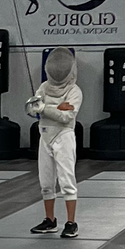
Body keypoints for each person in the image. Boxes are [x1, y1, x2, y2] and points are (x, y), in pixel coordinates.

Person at [29, 48, 83, 238]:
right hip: (44, 135)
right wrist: (53, 107)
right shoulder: (44, 87)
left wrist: (44, 108)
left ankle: (71, 223)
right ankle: (50, 220)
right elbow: (31, 108)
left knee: (67, 181)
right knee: (45, 182)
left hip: (64, 136)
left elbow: (66, 116)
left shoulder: (74, 91)